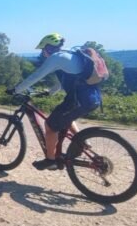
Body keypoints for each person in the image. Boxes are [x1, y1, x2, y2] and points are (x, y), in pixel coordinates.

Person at [12, 33, 102, 170]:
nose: (43, 53)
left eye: (43, 50)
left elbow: (36, 76)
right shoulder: (69, 55)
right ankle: (83, 141)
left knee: (50, 125)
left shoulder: (56, 58)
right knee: (66, 117)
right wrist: (50, 92)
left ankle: (50, 160)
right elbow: (65, 80)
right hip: (92, 98)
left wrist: (16, 90)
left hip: (78, 100)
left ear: (48, 48)